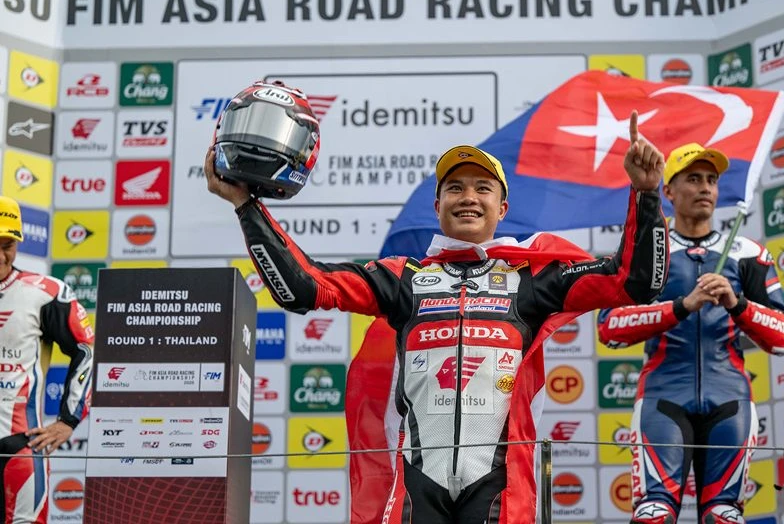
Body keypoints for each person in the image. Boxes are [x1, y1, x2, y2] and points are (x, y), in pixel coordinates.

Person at [205, 93, 669, 524]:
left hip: (499, 488)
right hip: (416, 487)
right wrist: (245, 205)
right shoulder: (402, 279)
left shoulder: (533, 279)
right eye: (455, 188)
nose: (468, 197)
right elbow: (302, 287)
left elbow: (637, 281)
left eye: (483, 188)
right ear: (438, 204)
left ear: (502, 208)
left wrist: (646, 194)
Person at [597, 143, 784, 524]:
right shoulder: (649, 252)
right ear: (668, 191)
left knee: (723, 515)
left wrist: (737, 304)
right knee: (654, 514)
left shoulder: (748, 254)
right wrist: (681, 306)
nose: (705, 187)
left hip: (730, 398)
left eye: (711, 180)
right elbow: (609, 326)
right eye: (693, 178)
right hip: (663, 396)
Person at [0, 196, 94, 523]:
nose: (1, 256)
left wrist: (68, 420)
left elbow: (86, 350)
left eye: (8, 246)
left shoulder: (45, 293)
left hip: (19, 445)